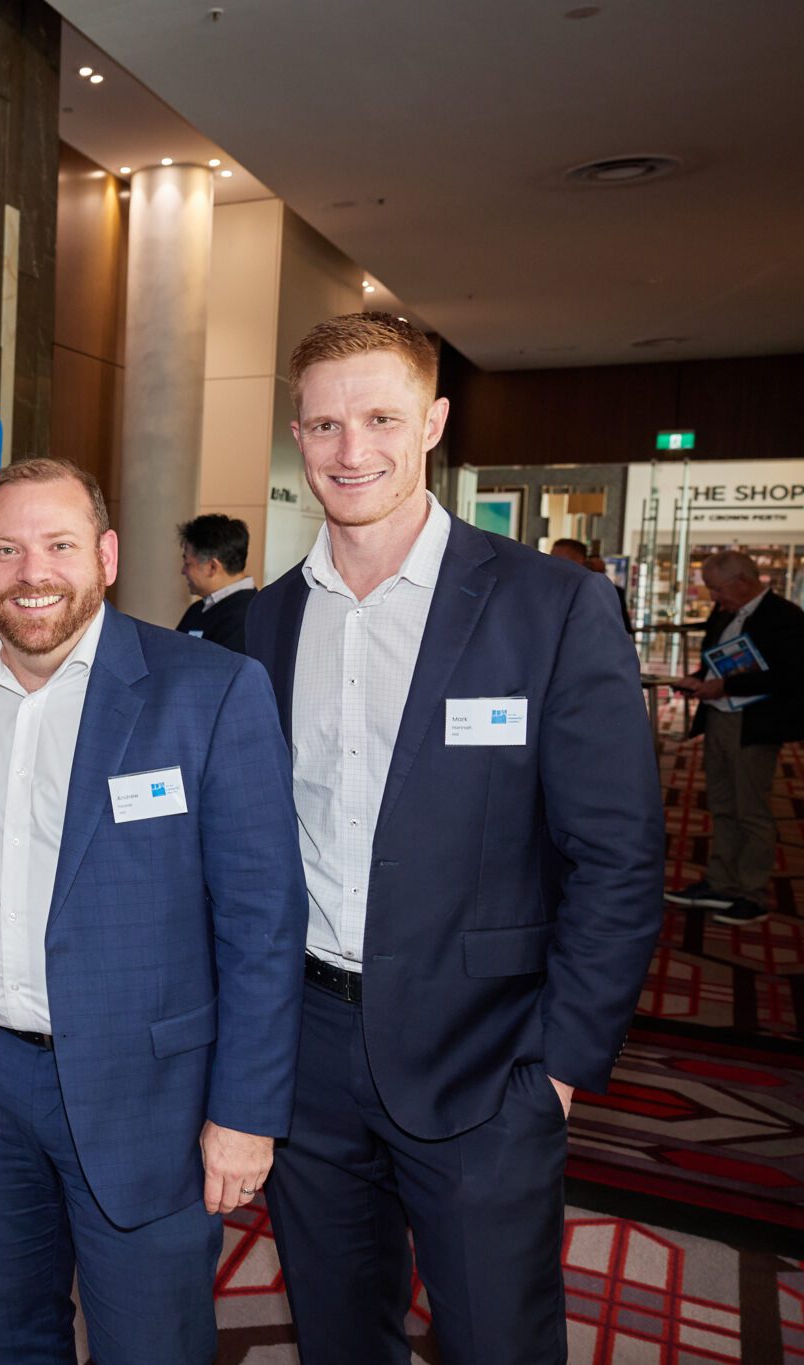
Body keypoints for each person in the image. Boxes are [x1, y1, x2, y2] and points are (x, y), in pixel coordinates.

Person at [245, 314, 663, 1365]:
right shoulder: (263, 624)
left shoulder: (552, 606)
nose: (353, 450)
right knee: (338, 1337)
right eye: (326, 425)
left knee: (496, 1341)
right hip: (304, 1051)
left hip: (489, 1056)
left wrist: (559, 1067)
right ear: (297, 436)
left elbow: (616, 857)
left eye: (381, 419)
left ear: (431, 423)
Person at [0, 458, 305, 1363]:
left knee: (151, 1343)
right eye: (6, 550)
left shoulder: (209, 689)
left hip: (148, 1091)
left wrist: (246, 1111)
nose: (32, 572)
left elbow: (263, 923)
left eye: (59, 545)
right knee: (12, 1332)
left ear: (106, 556)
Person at [664, 550, 804, 926]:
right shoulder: (725, 612)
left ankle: (751, 894)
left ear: (743, 581)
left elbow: (788, 676)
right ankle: (721, 883)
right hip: (720, 718)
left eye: (717, 589)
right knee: (723, 805)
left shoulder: (785, 617)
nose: (714, 597)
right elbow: (717, 660)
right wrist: (698, 679)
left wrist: (726, 685)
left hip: (755, 724)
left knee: (751, 811)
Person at [174, 513, 258, 651]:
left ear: (212, 567)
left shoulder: (248, 616)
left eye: (188, 564)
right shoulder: (197, 609)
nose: (183, 571)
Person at [552, 537, 632, 631]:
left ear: (580, 561)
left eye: (559, 560)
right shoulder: (551, 590)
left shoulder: (602, 593)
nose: (552, 564)